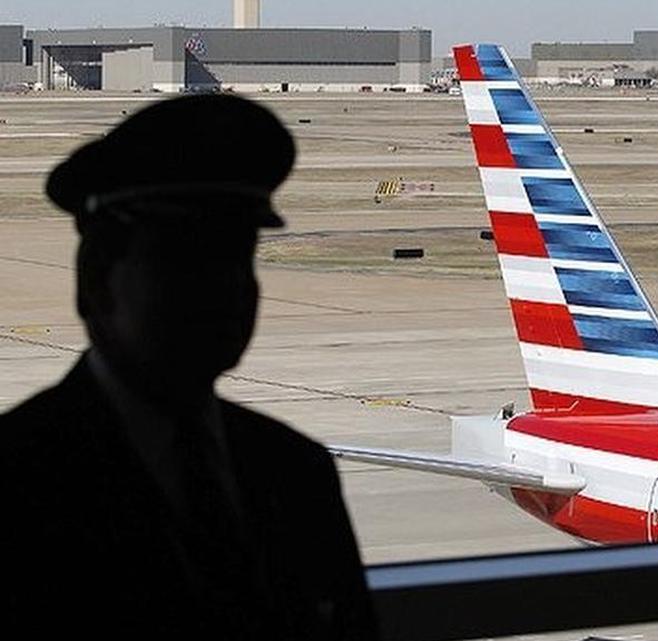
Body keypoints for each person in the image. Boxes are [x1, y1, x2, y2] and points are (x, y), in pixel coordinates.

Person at [0, 95, 377, 639]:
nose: (224, 290)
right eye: (185, 261)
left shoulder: (296, 473)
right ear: (97, 280)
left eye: (237, 257)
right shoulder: (20, 486)